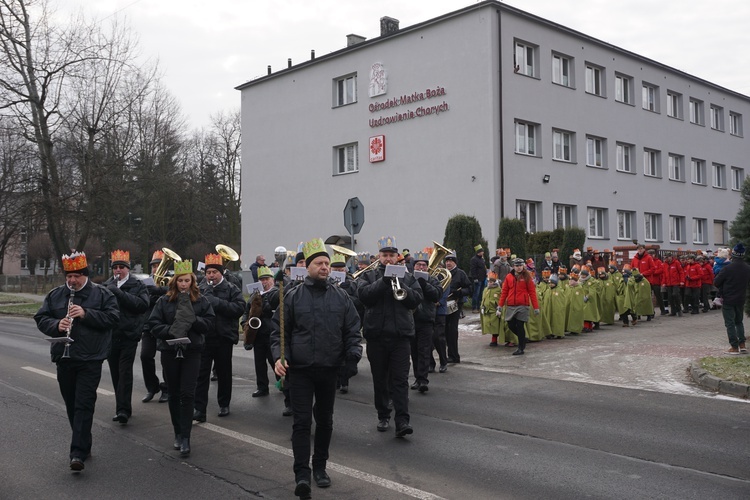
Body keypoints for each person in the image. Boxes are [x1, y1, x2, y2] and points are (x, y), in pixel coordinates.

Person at [271, 238, 362, 498]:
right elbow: (279, 332)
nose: (325, 267)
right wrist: (279, 357)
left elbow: (352, 331)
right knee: (301, 423)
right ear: (308, 266)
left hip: (328, 370)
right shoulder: (292, 296)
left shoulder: (341, 297)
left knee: (324, 421)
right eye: (319, 263)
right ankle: (302, 474)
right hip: (299, 370)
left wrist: (352, 357)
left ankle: (320, 467)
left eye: (327, 263)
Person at [34, 251, 119, 471]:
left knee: (84, 404)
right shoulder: (56, 295)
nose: (72, 280)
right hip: (64, 357)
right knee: (72, 404)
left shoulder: (101, 294)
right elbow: (41, 318)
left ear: (85, 275)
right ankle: (84, 443)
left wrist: (86, 313)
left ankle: (77, 453)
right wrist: (56, 325)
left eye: (77, 276)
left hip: (91, 358)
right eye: (68, 276)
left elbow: (112, 318)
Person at [147, 260, 215, 457]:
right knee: (174, 393)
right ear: (175, 282)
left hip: (192, 351)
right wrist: (171, 331)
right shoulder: (164, 301)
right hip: (170, 351)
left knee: (188, 393)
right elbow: (153, 323)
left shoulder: (201, 301)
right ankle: (177, 432)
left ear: (192, 282)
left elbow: (209, 324)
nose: (183, 284)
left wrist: (194, 319)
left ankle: (186, 437)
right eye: (180, 281)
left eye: (187, 281)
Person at [358, 236, 423, 437]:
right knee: (379, 379)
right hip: (376, 336)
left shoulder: (408, 276)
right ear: (379, 257)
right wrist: (384, 282)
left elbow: (416, 301)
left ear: (398, 257)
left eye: (391, 256)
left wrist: (402, 285)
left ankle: (402, 420)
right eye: (384, 255)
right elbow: (364, 296)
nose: (388, 259)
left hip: (401, 336)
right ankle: (383, 415)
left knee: (400, 380)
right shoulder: (369, 276)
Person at [194, 252, 245, 421]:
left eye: (214, 272)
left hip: (224, 337)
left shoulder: (232, 288)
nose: (210, 275)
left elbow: (238, 309)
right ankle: (199, 409)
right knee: (201, 374)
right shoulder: (200, 288)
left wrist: (215, 302)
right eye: (208, 272)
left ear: (221, 273)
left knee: (224, 372)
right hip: (205, 337)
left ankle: (224, 403)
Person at [104, 250, 149, 425]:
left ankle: (123, 410)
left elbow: (142, 305)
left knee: (124, 372)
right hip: (111, 335)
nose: (118, 270)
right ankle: (120, 406)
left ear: (128, 269)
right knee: (115, 373)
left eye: (122, 267)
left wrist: (119, 293)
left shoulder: (137, 285)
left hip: (129, 335)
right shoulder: (107, 285)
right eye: (115, 267)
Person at [241, 266, 284, 408]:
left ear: (272, 280)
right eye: (261, 280)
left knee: (274, 360)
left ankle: (283, 382)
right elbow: (246, 311)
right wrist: (244, 324)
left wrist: (263, 302)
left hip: (271, 333)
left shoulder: (276, 293)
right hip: (258, 334)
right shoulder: (254, 295)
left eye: (266, 279)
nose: (264, 282)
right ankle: (262, 387)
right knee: (259, 363)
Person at [410, 250, 443, 392]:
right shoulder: (409, 278)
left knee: (424, 350)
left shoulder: (432, 279)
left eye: (424, 265)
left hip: (426, 319)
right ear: (414, 266)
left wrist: (425, 285)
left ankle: (423, 380)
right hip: (410, 319)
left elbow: (437, 295)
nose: (421, 268)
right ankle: (417, 378)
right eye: (418, 265)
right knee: (414, 351)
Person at [141, 250, 170, 403]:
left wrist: (159, 291)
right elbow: (143, 301)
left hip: (164, 324)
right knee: (145, 356)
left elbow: (173, 294)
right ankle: (152, 387)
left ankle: (167, 388)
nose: (156, 268)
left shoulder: (171, 281)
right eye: (154, 266)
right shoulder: (145, 283)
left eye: (159, 265)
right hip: (149, 324)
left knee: (166, 358)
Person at [497, 257, 539, 355]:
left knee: (520, 325)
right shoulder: (509, 277)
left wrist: (536, 307)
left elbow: (532, 292)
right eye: (517, 266)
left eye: (520, 265)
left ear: (523, 266)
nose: (519, 268)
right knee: (510, 324)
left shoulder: (527, 276)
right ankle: (522, 338)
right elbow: (504, 292)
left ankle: (521, 347)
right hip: (511, 305)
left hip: (523, 305)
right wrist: (500, 305)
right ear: (513, 266)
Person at [714, 243, 750, 354]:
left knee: (730, 323)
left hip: (728, 299)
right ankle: (742, 345)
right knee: (739, 321)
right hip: (741, 298)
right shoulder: (747, 268)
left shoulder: (727, 268)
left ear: (733, 254)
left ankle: (734, 347)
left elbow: (716, 282)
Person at [444, 252, 471, 363]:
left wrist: (459, 293)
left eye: (450, 261)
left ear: (455, 262)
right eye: (446, 261)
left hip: (455, 304)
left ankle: (454, 355)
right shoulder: (443, 273)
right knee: (444, 330)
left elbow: (469, 289)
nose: (448, 263)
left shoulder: (460, 273)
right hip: (442, 304)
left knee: (452, 330)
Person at [662, 253, 684, 317]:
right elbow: (664, 274)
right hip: (669, 283)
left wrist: (682, 281)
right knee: (670, 297)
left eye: (668, 257)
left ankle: (679, 309)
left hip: (676, 283)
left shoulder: (676, 263)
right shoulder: (665, 264)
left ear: (671, 257)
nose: (667, 258)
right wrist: (664, 282)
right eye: (666, 257)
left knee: (675, 295)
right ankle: (673, 311)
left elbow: (681, 272)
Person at [469, 244, 487, 313]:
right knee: (476, 293)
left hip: (482, 278)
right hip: (478, 279)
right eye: (482, 251)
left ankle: (479, 306)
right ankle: (474, 307)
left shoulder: (482, 259)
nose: (483, 252)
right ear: (479, 252)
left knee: (481, 294)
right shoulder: (474, 259)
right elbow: (473, 269)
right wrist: (475, 278)